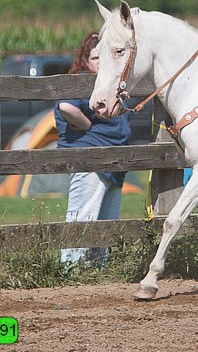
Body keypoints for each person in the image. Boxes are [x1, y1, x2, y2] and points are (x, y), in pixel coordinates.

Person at [56, 32, 132, 267]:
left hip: (114, 161)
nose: (100, 62)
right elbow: (65, 106)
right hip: (91, 157)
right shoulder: (82, 79)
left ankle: (99, 266)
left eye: (104, 57)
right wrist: (86, 124)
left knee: (107, 218)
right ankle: (71, 267)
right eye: (96, 58)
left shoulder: (109, 83)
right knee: (83, 214)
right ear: (86, 60)